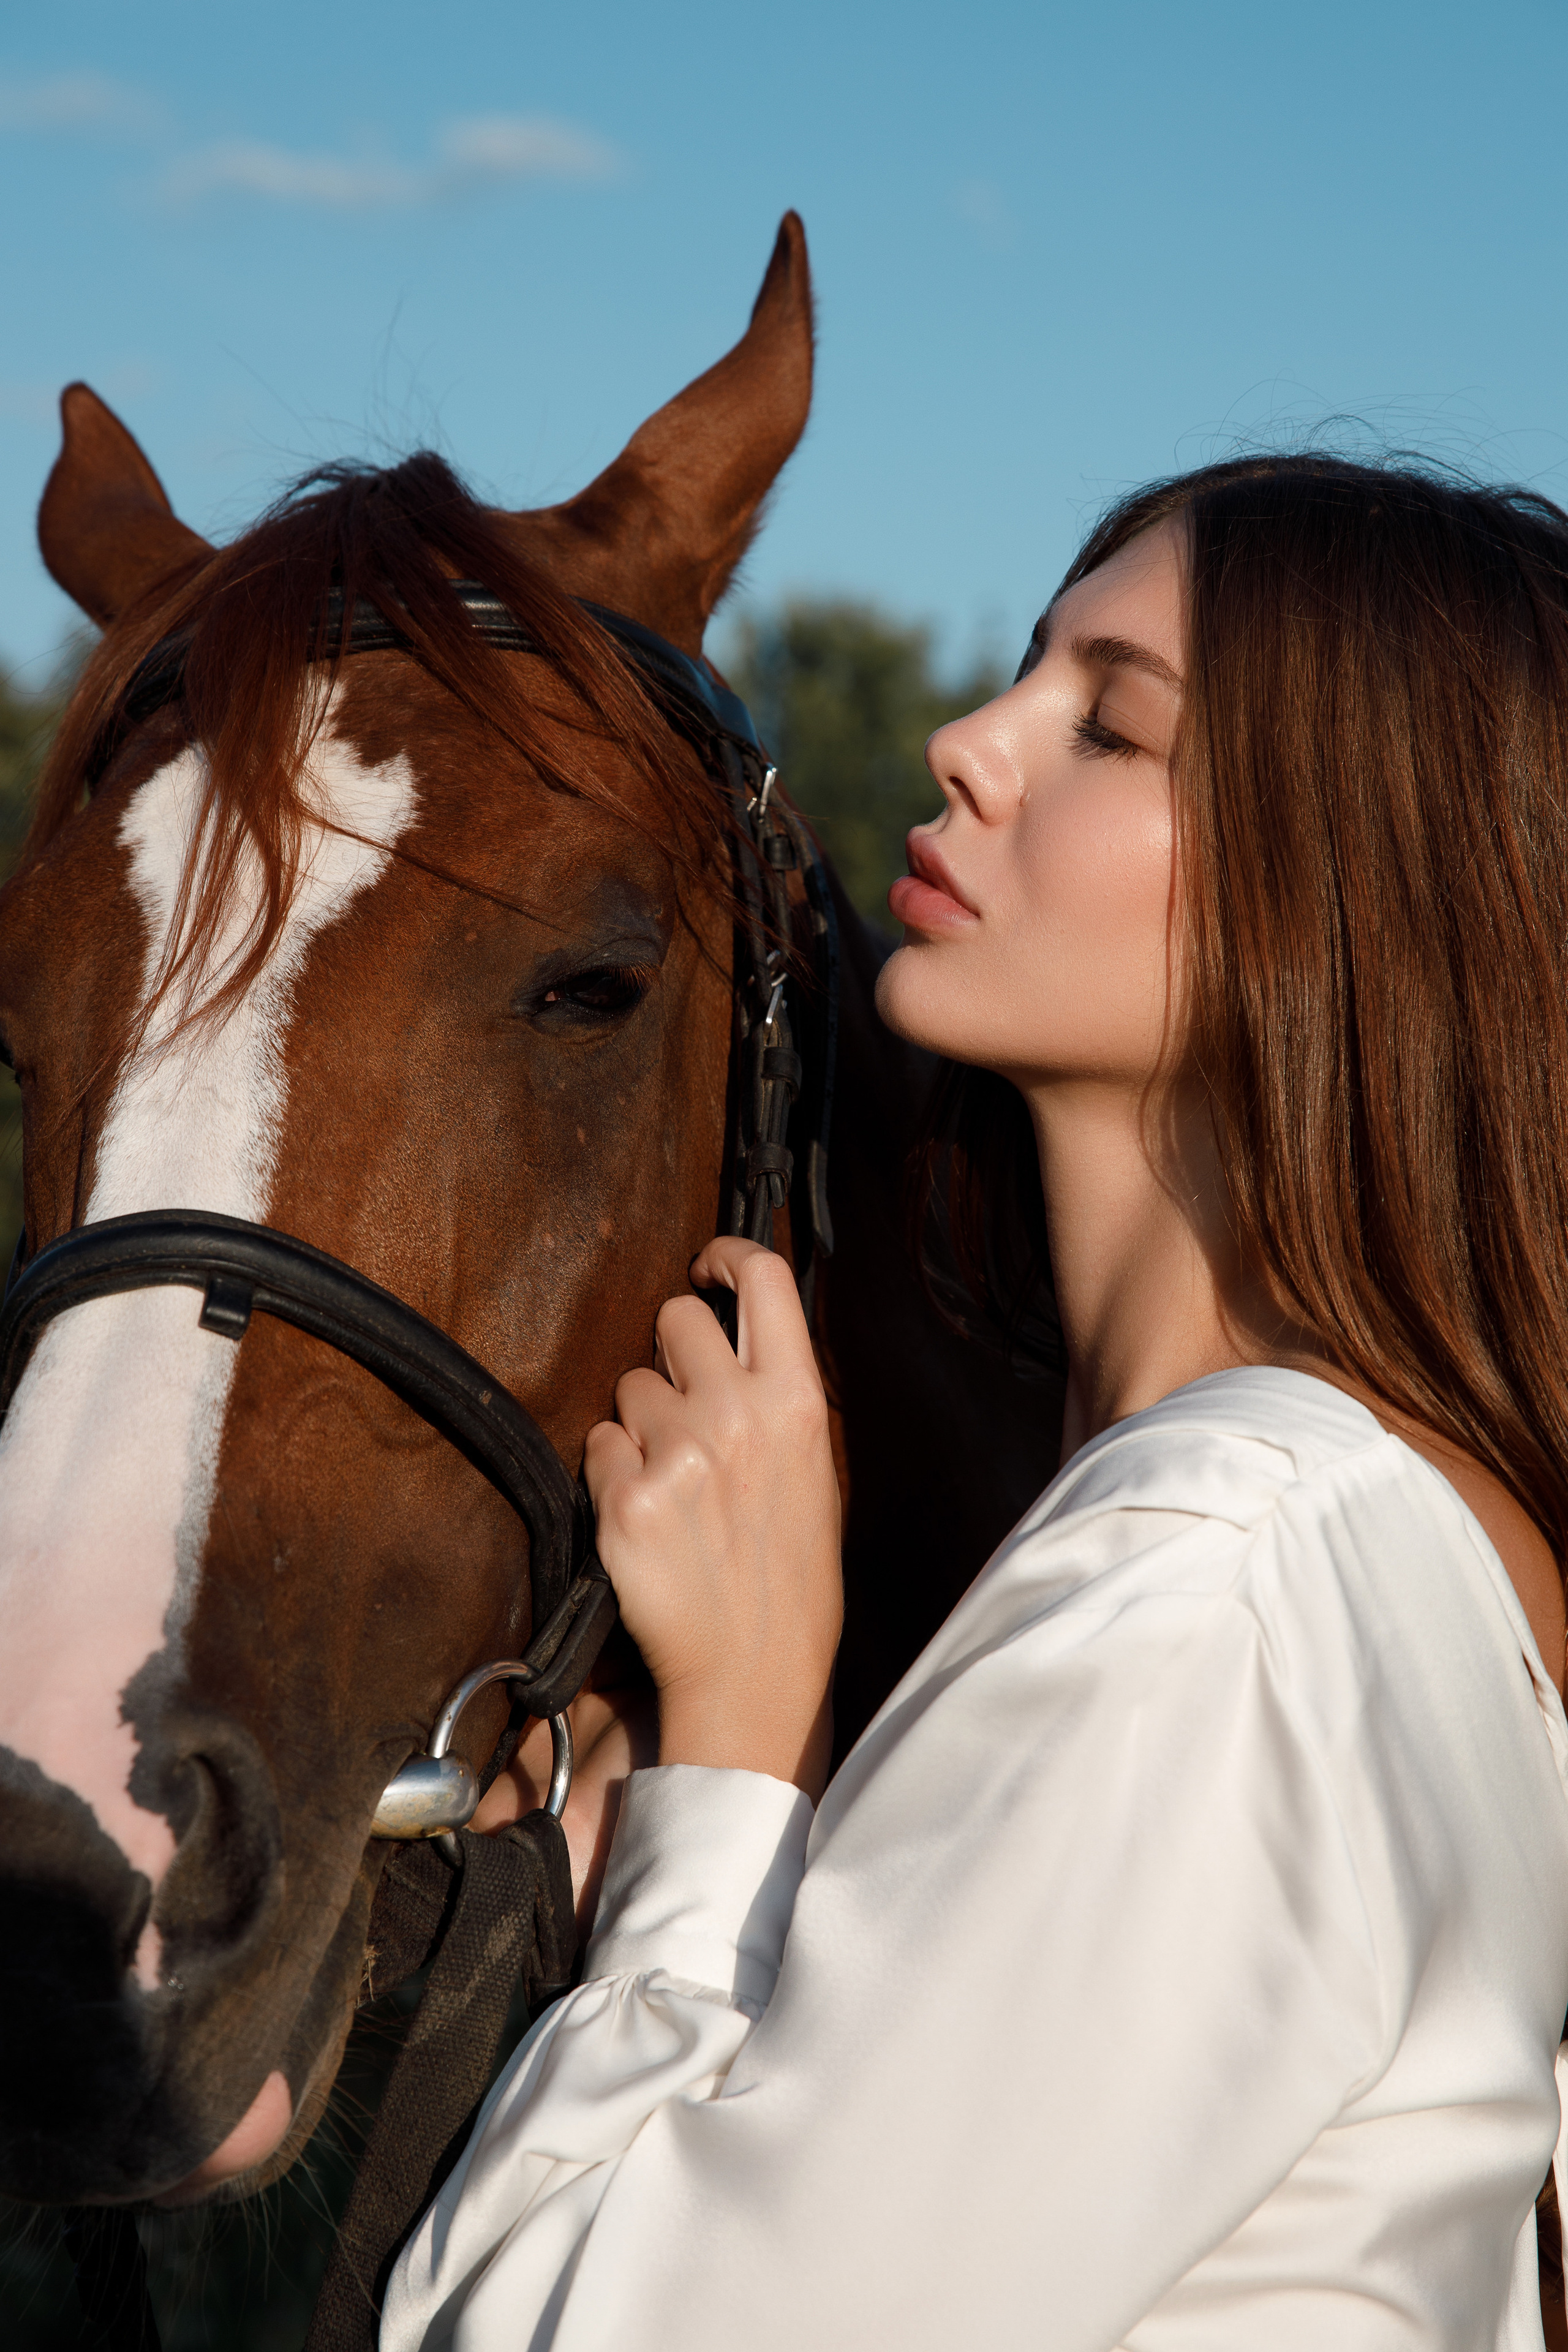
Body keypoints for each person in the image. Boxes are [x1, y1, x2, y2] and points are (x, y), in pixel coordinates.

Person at [382, 456, 1568, 2351]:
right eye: (1028, 671)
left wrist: (735, 1767)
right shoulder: (1377, 1561)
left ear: (1352, 887)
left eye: (1112, 726)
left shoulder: (1218, 1584)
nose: (965, 743)